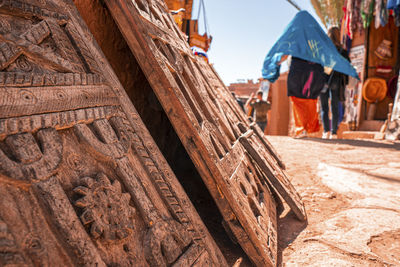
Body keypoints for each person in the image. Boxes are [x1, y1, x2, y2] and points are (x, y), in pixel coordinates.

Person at [320, 27, 350, 139]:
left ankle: (325, 131)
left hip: (323, 81)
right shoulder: (342, 51)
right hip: (336, 81)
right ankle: (334, 133)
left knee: (324, 107)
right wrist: (345, 82)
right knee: (335, 107)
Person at [287, 56, 326, 138]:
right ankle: (305, 129)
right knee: (307, 106)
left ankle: (303, 129)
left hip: (301, 82)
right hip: (310, 83)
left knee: (300, 106)